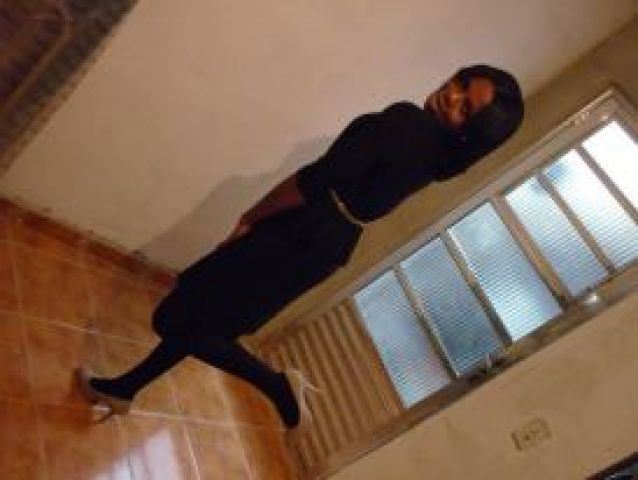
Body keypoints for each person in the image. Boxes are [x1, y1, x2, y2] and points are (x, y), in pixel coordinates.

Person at [75, 64, 524, 436]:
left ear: (472, 132)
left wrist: (252, 214)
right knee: (204, 319)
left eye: (466, 108)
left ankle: (276, 386)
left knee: (175, 317)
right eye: (461, 84)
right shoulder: (439, 160)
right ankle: (123, 390)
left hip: (300, 227)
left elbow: (315, 180)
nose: (451, 96)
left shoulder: (408, 121)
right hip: (329, 243)